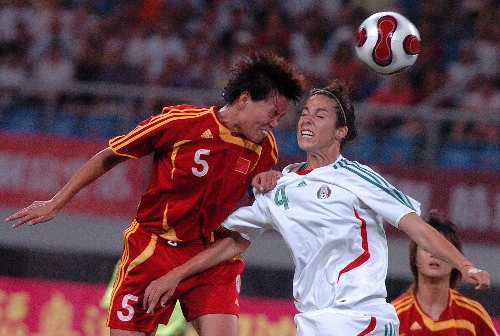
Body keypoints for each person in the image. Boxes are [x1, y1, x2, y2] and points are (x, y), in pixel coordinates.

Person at [142, 81, 491, 336]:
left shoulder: (358, 177)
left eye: (320, 115)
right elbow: (234, 241)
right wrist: (175, 274)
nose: (306, 121)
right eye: (305, 113)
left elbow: (415, 226)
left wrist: (464, 264)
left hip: (359, 318)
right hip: (311, 320)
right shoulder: (281, 187)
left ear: (341, 131)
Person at [5, 51, 306, 336]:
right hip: (152, 249)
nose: (275, 124)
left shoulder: (265, 150)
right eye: (272, 113)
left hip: (209, 257)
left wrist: (270, 183)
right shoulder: (181, 123)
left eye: (280, 117)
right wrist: (56, 203)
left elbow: (253, 217)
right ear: (244, 99)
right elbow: (109, 156)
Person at [391, 210, 498, 335]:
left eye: (440, 250)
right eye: (427, 248)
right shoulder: (394, 315)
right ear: (414, 258)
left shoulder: (473, 314)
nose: (433, 254)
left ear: (455, 260)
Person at [101, 261, 188, 336]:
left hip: (175, 330)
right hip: (138, 329)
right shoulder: (131, 260)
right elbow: (111, 301)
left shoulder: (183, 263)